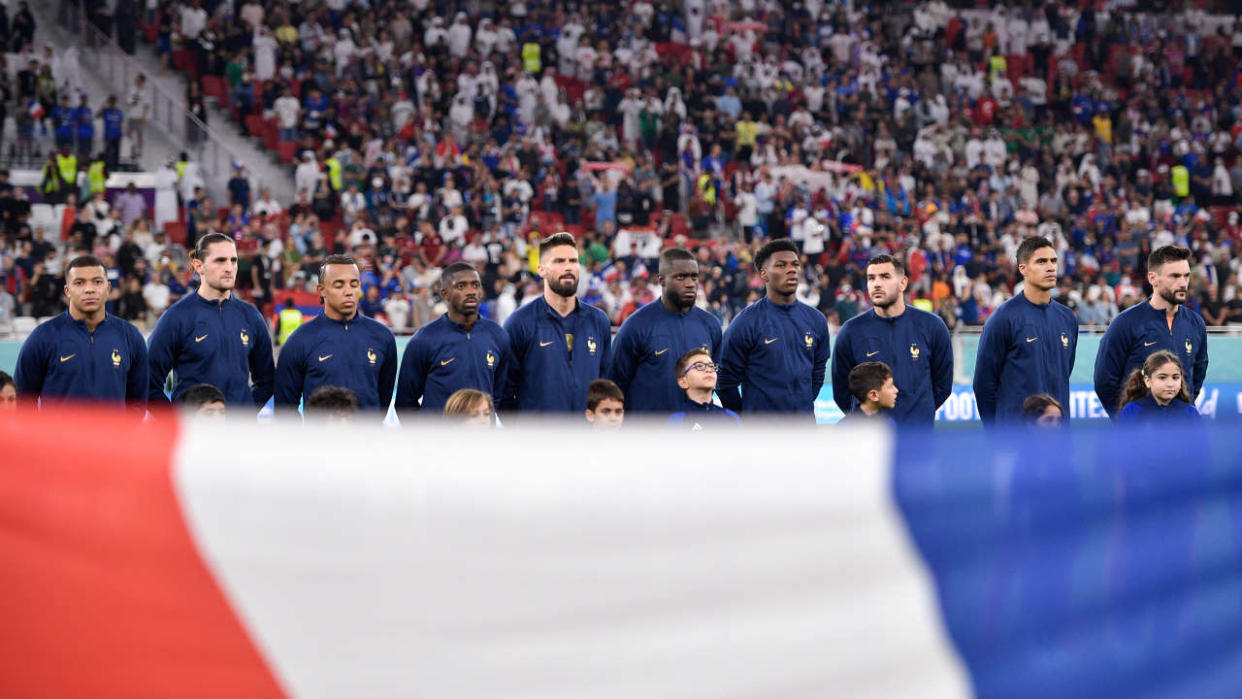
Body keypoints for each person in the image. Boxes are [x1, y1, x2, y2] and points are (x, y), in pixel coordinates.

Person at [147, 233, 275, 411]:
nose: (229, 268)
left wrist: (245, 414)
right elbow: (147, 381)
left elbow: (267, 379)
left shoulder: (251, 316)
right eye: (220, 261)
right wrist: (175, 423)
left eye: (233, 260)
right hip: (194, 434)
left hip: (239, 435)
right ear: (198, 266)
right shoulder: (177, 317)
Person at [831, 254, 952, 426]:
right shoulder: (850, 331)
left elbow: (943, 385)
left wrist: (919, 415)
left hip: (917, 438)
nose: (877, 283)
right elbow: (842, 391)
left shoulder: (932, 326)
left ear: (903, 283)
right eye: (871, 278)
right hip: (870, 441)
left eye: (885, 277)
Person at [13, 255, 147, 410]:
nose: (89, 289)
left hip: (113, 435)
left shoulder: (131, 337)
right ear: (67, 291)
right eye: (79, 283)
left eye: (97, 282)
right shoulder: (42, 337)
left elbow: (138, 403)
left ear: (108, 288)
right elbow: (22, 402)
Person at [274, 255, 398, 421]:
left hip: (368, 443)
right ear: (321, 290)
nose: (349, 292)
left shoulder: (383, 337)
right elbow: (284, 409)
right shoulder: (299, 341)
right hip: (320, 444)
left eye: (354, 284)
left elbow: (383, 399)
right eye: (339, 285)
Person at [717, 239, 830, 417]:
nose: (791, 269)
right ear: (764, 274)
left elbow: (817, 372)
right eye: (781, 265)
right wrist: (748, 417)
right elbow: (725, 381)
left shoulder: (816, 320)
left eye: (795, 264)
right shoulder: (746, 322)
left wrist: (801, 404)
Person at [973, 236, 1078, 426]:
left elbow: (1064, 372)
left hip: (1058, 436)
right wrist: (996, 434)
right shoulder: (1003, 318)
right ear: (1023, 269)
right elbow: (984, 384)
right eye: (1041, 261)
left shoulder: (1068, 318)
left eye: (1053, 261)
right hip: (1016, 436)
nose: (1050, 267)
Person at [1094, 245, 1208, 420]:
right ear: (1153, 278)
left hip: (1182, 433)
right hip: (1138, 436)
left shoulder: (1196, 323)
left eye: (1186, 276)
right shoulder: (1125, 323)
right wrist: (1124, 422)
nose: (1183, 283)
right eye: (1175, 276)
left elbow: (1196, 378)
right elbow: (1105, 381)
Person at [502, 233, 611, 413]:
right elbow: (504, 391)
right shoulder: (519, 323)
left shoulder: (598, 321)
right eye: (559, 261)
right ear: (541, 270)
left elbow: (607, 384)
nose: (568, 267)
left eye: (573, 261)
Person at [608, 248, 722, 414]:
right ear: (661, 280)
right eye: (681, 277)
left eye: (694, 277)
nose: (690, 283)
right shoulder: (635, 326)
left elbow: (716, 382)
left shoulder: (711, 325)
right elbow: (615, 385)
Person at [395, 262, 511, 418]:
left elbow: (501, 396)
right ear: (445, 294)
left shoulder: (498, 336)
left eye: (475, 285)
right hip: (439, 440)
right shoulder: (424, 339)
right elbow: (405, 403)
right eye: (461, 286)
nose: (471, 292)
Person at [1116, 350, 1200, 423]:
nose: (1170, 384)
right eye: (1162, 377)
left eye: (1175, 377)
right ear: (1147, 381)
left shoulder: (1190, 412)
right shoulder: (1132, 411)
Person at [666, 348, 740, 428]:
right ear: (683, 382)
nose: (709, 370)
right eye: (699, 366)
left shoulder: (732, 417)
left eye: (712, 366)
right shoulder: (676, 421)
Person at [837, 362, 899, 426]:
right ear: (873, 395)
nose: (896, 390)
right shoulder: (846, 428)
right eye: (890, 386)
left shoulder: (888, 422)